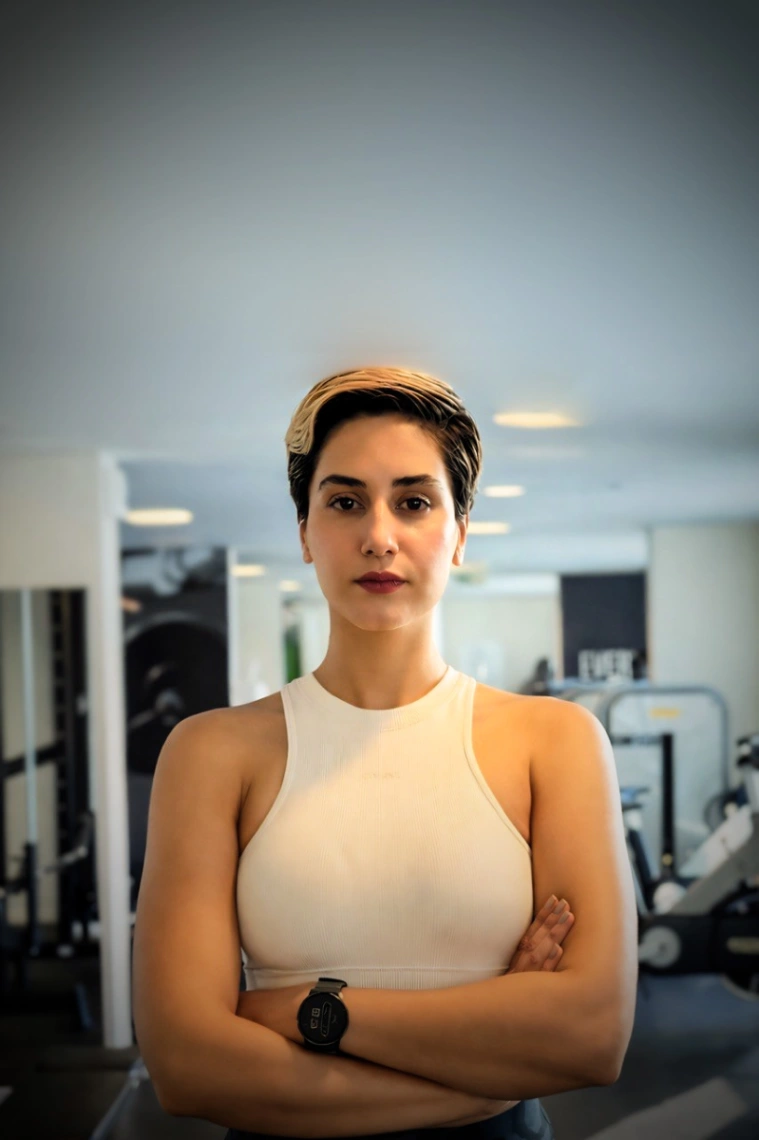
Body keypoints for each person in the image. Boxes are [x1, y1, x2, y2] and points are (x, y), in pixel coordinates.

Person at [132, 367, 638, 1139]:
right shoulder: (210, 754)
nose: (378, 535)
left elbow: (590, 1036)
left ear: (459, 532)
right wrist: (486, 1074)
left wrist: (306, 1011)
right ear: (304, 532)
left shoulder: (555, 742)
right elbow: (188, 1065)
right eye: (343, 502)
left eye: (413, 502)